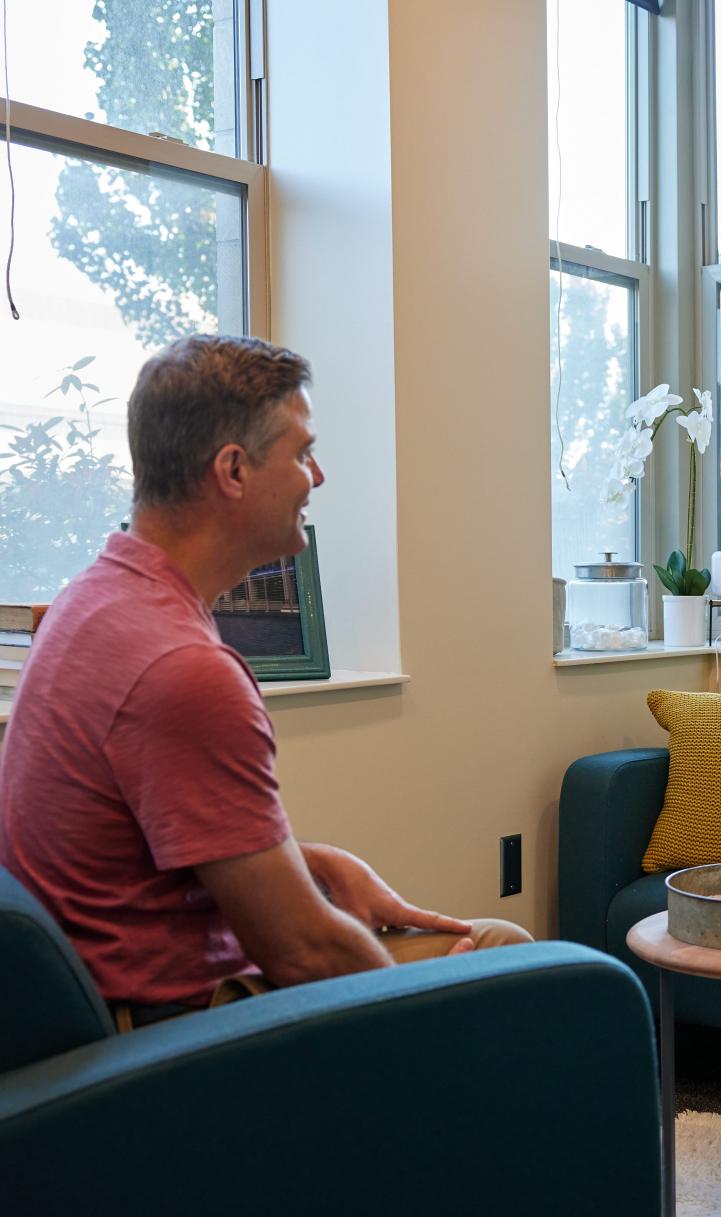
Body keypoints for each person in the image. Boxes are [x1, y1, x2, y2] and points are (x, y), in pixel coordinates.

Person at [0, 335, 531, 1028]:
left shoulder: (92, 601)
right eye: (302, 454)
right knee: (511, 961)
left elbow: (146, 849)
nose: (318, 477)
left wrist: (315, 865)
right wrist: (418, 1022)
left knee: (492, 947)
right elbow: (306, 953)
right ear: (233, 470)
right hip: (174, 1032)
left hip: (125, 990)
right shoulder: (183, 670)